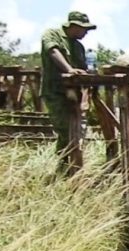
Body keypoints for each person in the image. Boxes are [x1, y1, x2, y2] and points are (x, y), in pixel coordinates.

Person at [39, 11, 94, 173]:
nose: (86, 33)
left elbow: (83, 68)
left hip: (74, 94)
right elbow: (52, 51)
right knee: (64, 129)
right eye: (84, 29)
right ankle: (64, 166)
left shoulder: (78, 47)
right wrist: (69, 69)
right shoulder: (52, 34)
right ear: (74, 26)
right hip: (55, 92)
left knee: (75, 132)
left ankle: (65, 168)